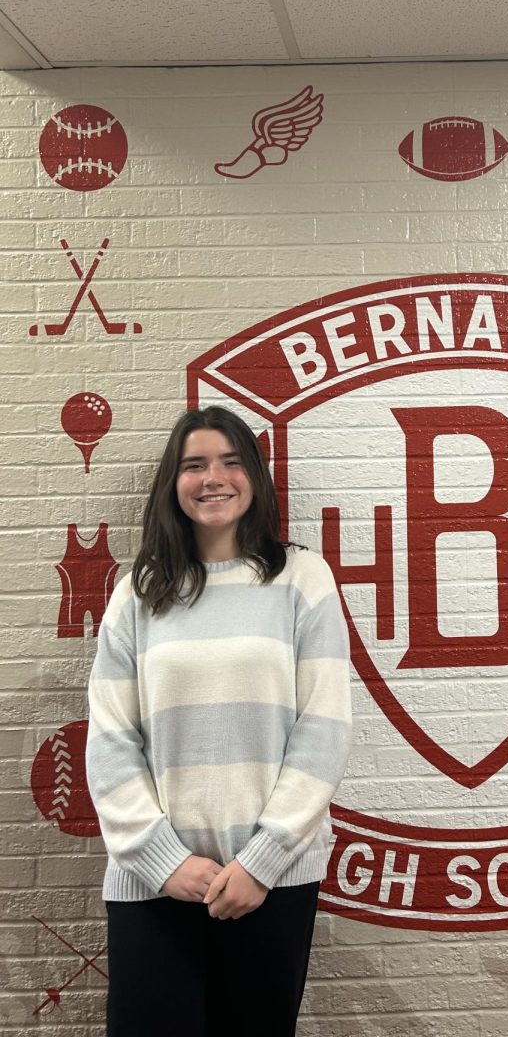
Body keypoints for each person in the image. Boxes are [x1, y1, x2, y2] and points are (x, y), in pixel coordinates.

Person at [86, 405, 352, 1036]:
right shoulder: (138, 592)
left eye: (232, 462)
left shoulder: (301, 579)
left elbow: (324, 728)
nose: (214, 478)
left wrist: (262, 860)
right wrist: (161, 860)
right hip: (153, 883)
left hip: (270, 879)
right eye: (194, 465)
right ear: (172, 485)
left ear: (254, 477)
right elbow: (110, 740)